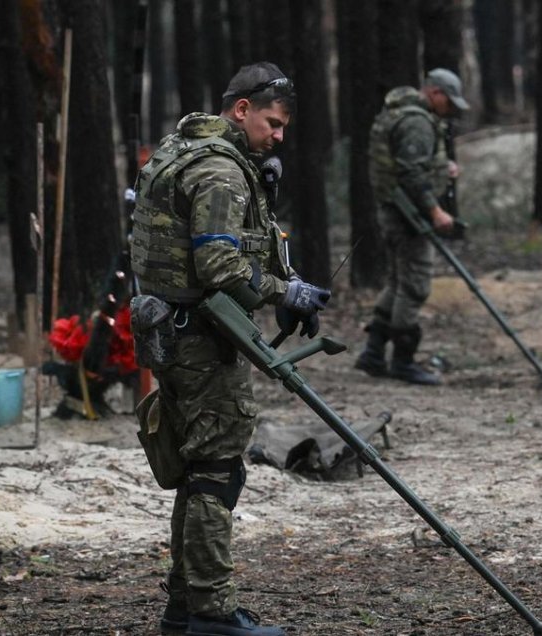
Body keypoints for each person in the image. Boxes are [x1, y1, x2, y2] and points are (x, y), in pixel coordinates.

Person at [130, 62, 330, 636]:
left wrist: (275, 275)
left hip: (172, 328)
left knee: (198, 470)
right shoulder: (220, 170)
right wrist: (282, 289)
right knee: (216, 472)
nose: (279, 136)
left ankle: (183, 606)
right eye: (272, 123)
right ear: (240, 110)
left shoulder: (184, 145)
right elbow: (218, 265)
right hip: (200, 339)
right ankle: (212, 612)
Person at [355, 68, 470, 385]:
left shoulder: (401, 114)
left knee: (397, 282)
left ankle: (374, 352)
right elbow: (410, 173)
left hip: (394, 213)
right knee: (415, 285)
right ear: (435, 93)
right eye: (449, 101)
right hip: (407, 217)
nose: (451, 109)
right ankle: (403, 360)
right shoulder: (417, 122)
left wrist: (442, 167)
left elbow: (408, 162)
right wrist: (435, 212)